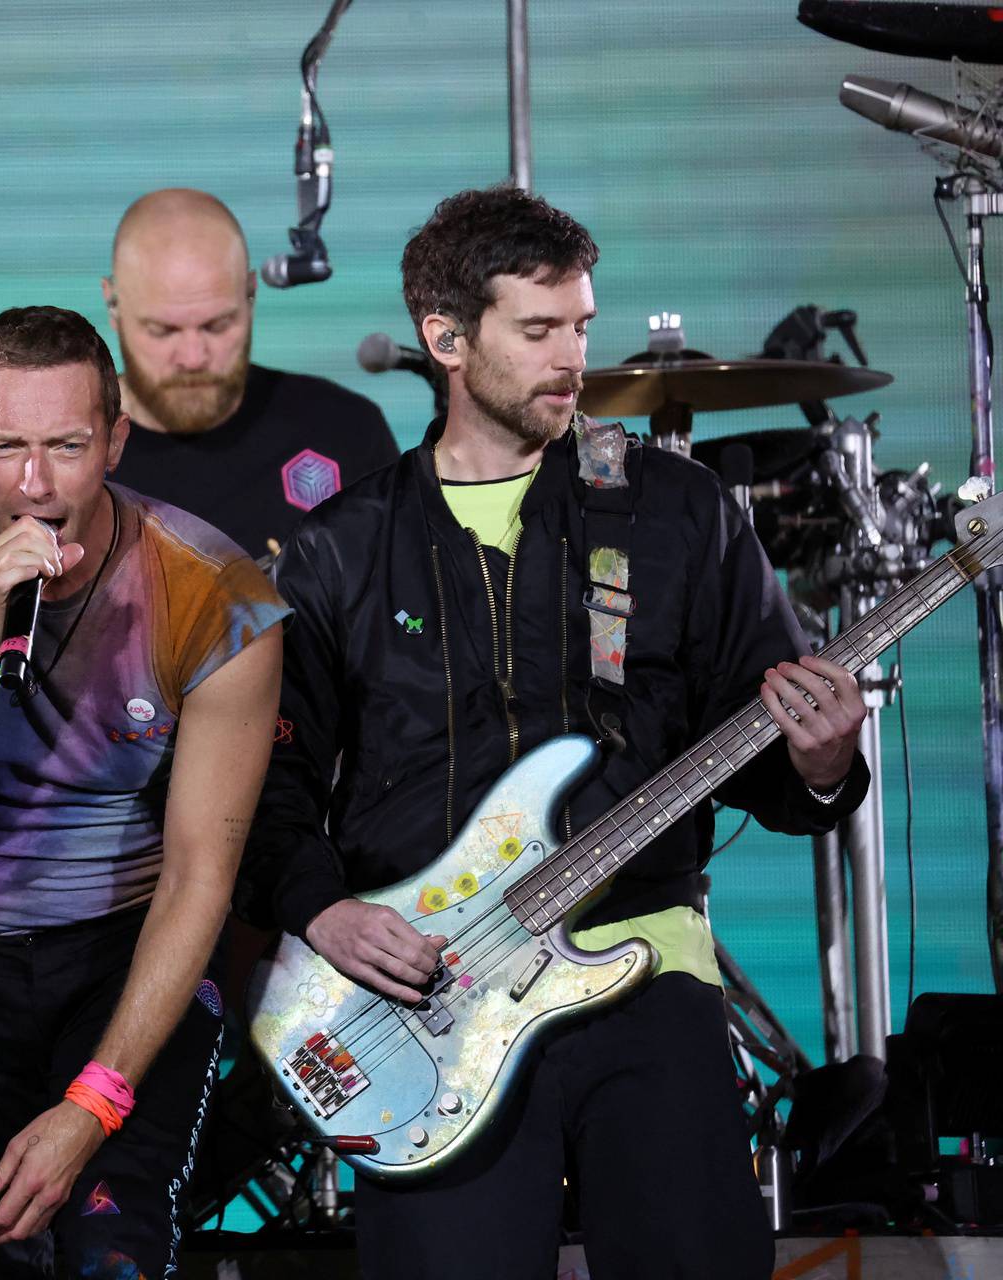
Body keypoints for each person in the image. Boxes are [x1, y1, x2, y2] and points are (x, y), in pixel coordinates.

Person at [238, 185, 870, 1280]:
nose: (571, 355)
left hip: (648, 963)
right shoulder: (344, 547)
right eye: (537, 330)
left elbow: (763, 750)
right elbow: (270, 773)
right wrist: (324, 909)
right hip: (430, 996)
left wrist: (819, 766)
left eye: (580, 323)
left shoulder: (677, 512)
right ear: (445, 338)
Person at [0, 305, 287, 1277]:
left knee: (112, 1250)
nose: (33, 483)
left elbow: (200, 878)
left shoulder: (212, 590)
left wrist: (95, 1102)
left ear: (116, 439)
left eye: (67, 446)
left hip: (122, 952)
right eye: (4, 448)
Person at [102, 188, 399, 560]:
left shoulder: (345, 432)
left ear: (251, 294)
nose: (194, 357)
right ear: (113, 306)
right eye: (163, 331)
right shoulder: (62, 452)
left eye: (217, 325)